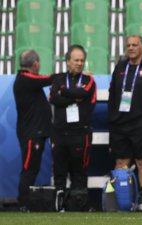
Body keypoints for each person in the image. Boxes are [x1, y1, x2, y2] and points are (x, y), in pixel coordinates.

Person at [108, 34, 142, 211]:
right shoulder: (120, 67)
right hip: (120, 124)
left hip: (141, 123)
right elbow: (112, 93)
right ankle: (122, 201)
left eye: (134, 45)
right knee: (120, 162)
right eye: (128, 45)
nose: (131, 48)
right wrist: (112, 117)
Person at [49, 44, 96, 211]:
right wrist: (74, 97)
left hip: (80, 133)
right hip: (59, 133)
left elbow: (85, 94)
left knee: (80, 171)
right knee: (59, 170)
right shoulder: (58, 80)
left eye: (82, 60)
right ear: (68, 61)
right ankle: (60, 204)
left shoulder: (89, 80)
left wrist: (65, 92)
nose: (79, 63)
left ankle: (79, 205)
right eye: (76, 60)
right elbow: (54, 99)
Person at [13, 50, 53, 212]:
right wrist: (67, 74)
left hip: (35, 132)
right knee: (29, 169)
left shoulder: (25, 80)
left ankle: (24, 201)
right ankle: (23, 203)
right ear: (36, 63)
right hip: (32, 133)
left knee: (31, 168)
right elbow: (48, 79)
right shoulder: (26, 78)